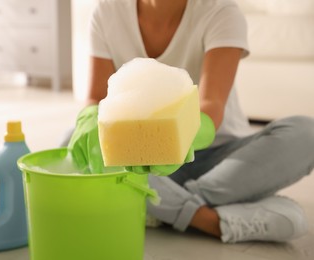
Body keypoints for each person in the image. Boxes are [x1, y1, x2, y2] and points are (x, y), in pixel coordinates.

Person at [67, 0, 314, 243]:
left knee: (306, 134)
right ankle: (212, 214)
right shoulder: (107, 11)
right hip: (142, 160)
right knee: (74, 144)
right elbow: (96, 97)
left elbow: (211, 104)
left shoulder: (221, 11)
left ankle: (164, 207)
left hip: (221, 156)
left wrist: (178, 139)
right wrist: (90, 118)